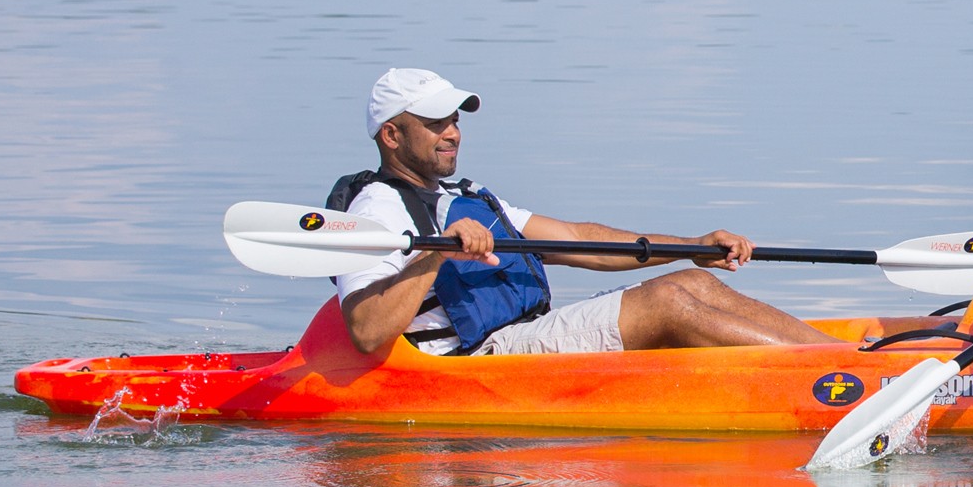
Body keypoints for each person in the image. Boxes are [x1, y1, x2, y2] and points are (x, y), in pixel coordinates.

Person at [327, 67, 831, 357]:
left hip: (519, 337)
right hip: (468, 364)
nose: (453, 133)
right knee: (665, 305)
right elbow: (367, 331)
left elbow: (578, 239)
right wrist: (436, 255)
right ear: (391, 136)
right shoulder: (376, 209)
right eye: (435, 123)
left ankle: (831, 355)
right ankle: (831, 375)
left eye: (455, 121)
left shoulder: (466, 192)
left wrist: (692, 248)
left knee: (694, 284)